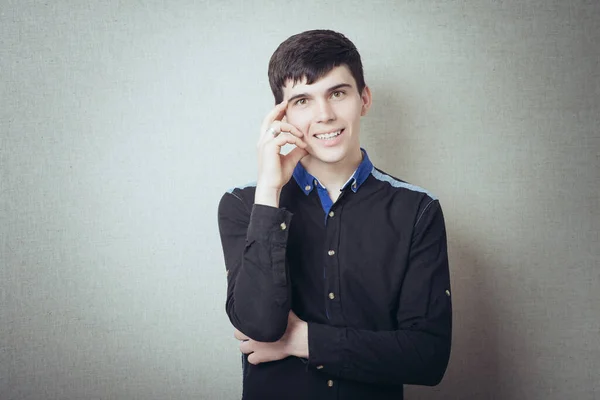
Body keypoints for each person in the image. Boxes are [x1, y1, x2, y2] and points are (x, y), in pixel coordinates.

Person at [217, 29, 452, 400]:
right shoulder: (244, 204)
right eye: (302, 101)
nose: (324, 115)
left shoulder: (418, 210)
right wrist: (269, 190)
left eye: (337, 93)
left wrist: (302, 340)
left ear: (364, 99)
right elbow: (260, 325)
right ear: (281, 114)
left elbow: (428, 357)